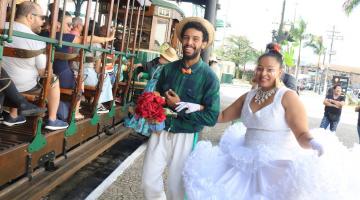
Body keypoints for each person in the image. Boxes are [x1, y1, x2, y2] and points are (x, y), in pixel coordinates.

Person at [182, 44, 360, 199]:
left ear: (279, 72)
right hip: (242, 163)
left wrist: (313, 143)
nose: (263, 73)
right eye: (259, 68)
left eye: (270, 69)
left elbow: (301, 134)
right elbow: (221, 117)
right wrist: (198, 108)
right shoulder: (248, 96)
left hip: (274, 169)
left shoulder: (288, 97)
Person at [141, 17, 220, 200]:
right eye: (186, 38)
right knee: (148, 182)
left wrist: (178, 106)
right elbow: (157, 97)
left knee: (177, 188)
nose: (189, 43)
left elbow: (211, 117)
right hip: (160, 132)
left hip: (186, 135)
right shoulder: (167, 69)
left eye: (195, 39)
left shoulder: (209, 78)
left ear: (204, 44)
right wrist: (151, 110)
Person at [2, 1, 68, 130]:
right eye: (42, 17)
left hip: (3, 82)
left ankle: (13, 116)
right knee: (53, 78)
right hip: (24, 85)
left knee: (12, 69)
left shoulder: (2, 27)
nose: (43, 21)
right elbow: (43, 72)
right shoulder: (37, 40)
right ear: (30, 17)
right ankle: (52, 120)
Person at [125, 46, 178, 137]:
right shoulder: (159, 66)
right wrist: (144, 74)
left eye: (162, 56)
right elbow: (152, 75)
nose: (160, 57)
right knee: (144, 106)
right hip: (149, 87)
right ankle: (140, 126)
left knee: (151, 108)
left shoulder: (167, 69)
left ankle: (147, 129)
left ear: (167, 59)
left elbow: (163, 81)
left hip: (156, 89)